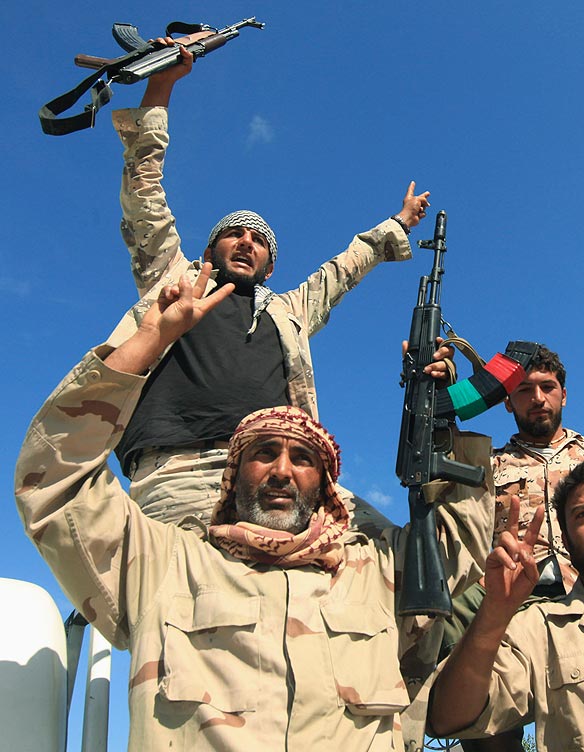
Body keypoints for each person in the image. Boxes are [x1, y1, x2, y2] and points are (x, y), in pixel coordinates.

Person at [15, 268, 494, 751]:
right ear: (233, 473)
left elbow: (461, 539)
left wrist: (439, 415)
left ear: (325, 483)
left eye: (303, 458)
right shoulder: (163, 565)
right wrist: (149, 339)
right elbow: (55, 475)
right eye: (264, 453)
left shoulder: (378, 569)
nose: (282, 471)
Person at [106, 42, 432, 530]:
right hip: (179, 470)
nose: (245, 242)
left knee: (396, 559)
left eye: (259, 240)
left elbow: (343, 268)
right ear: (211, 247)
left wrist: (399, 224)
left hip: (284, 475)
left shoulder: (289, 311)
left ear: (269, 266)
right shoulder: (173, 283)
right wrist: (161, 85)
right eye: (233, 234)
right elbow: (144, 194)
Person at [441, 344, 584, 751]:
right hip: (514, 603)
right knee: (480, 717)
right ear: (508, 402)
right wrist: (436, 386)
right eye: (524, 390)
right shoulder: (486, 465)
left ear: (564, 394)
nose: (538, 398)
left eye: (548, 387)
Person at [428, 459, 584, 751]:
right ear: (565, 541)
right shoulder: (542, 633)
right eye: (583, 515)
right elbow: (448, 718)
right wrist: (495, 610)